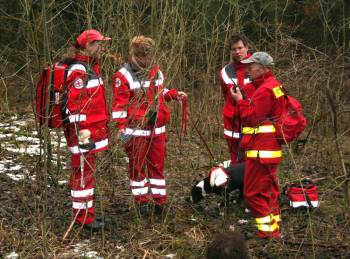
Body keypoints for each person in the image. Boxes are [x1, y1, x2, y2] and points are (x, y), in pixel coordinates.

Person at [112, 35, 187, 216]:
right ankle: (142, 202)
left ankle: (160, 202)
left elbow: (160, 92)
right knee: (136, 168)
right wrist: (121, 132)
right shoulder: (122, 76)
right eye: (145, 56)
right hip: (135, 132)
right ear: (136, 55)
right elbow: (119, 107)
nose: (149, 60)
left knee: (157, 167)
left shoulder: (156, 71)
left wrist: (174, 95)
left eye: (151, 56)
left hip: (157, 129)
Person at [230, 52, 284, 238]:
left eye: (251, 66)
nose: (247, 69)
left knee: (252, 193)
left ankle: (267, 233)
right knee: (269, 191)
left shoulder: (265, 90)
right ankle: (273, 229)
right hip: (269, 150)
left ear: (261, 68)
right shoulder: (274, 86)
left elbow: (251, 118)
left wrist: (240, 102)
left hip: (261, 151)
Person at [63, 29, 110, 230]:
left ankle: (85, 216)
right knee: (83, 176)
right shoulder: (80, 71)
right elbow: (73, 106)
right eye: (98, 43)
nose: (101, 47)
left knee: (86, 174)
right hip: (83, 135)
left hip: (91, 133)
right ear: (88, 46)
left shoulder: (91, 67)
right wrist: (82, 134)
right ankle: (83, 219)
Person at [219, 35, 254, 165]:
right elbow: (226, 95)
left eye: (240, 48)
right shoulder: (224, 72)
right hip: (231, 123)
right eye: (234, 49)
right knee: (235, 160)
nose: (237, 52)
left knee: (251, 161)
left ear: (247, 48)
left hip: (251, 121)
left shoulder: (257, 68)